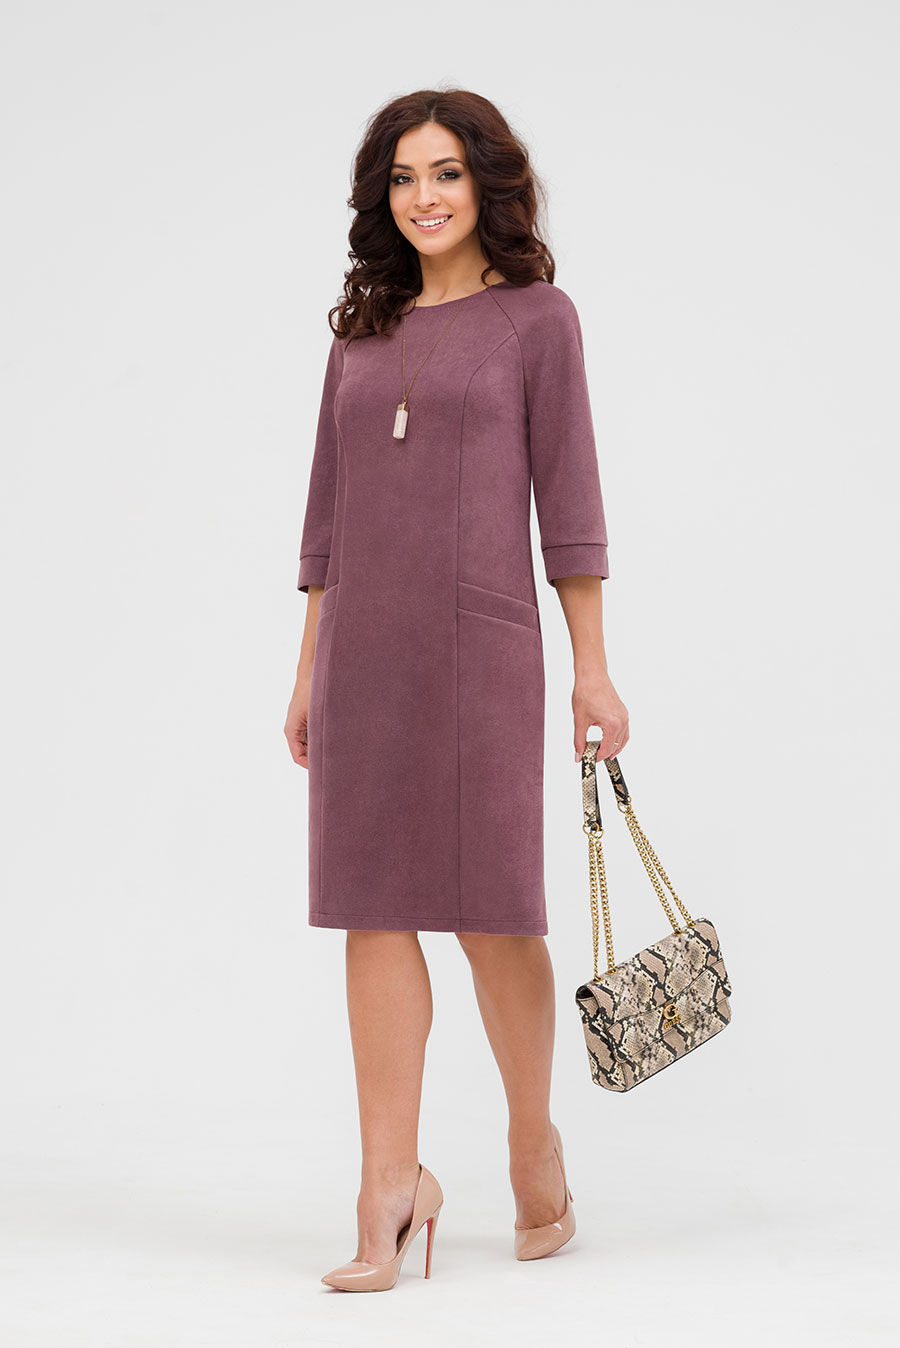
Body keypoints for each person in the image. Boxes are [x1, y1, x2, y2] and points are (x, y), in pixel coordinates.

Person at [284, 88, 629, 1292]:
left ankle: (534, 1143)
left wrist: (592, 666)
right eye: (402, 177)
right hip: (363, 653)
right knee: (371, 906)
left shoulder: (538, 321)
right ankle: (390, 1186)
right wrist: (307, 668)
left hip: (483, 650)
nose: (422, 196)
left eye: (443, 172)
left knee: (495, 912)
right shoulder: (358, 334)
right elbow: (326, 520)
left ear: (486, 183)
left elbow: (570, 507)